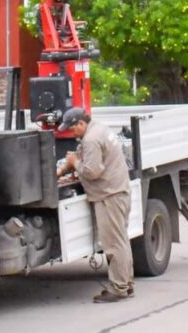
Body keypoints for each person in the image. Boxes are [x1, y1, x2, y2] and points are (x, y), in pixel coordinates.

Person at [56, 107, 134, 302]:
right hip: (119, 191)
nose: (70, 133)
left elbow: (92, 171)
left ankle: (119, 288)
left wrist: (74, 164)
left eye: (72, 129)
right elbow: (83, 155)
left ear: (81, 124)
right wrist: (65, 168)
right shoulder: (98, 129)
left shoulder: (90, 139)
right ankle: (126, 283)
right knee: (121, 240)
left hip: (109, 196)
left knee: (113, 244)